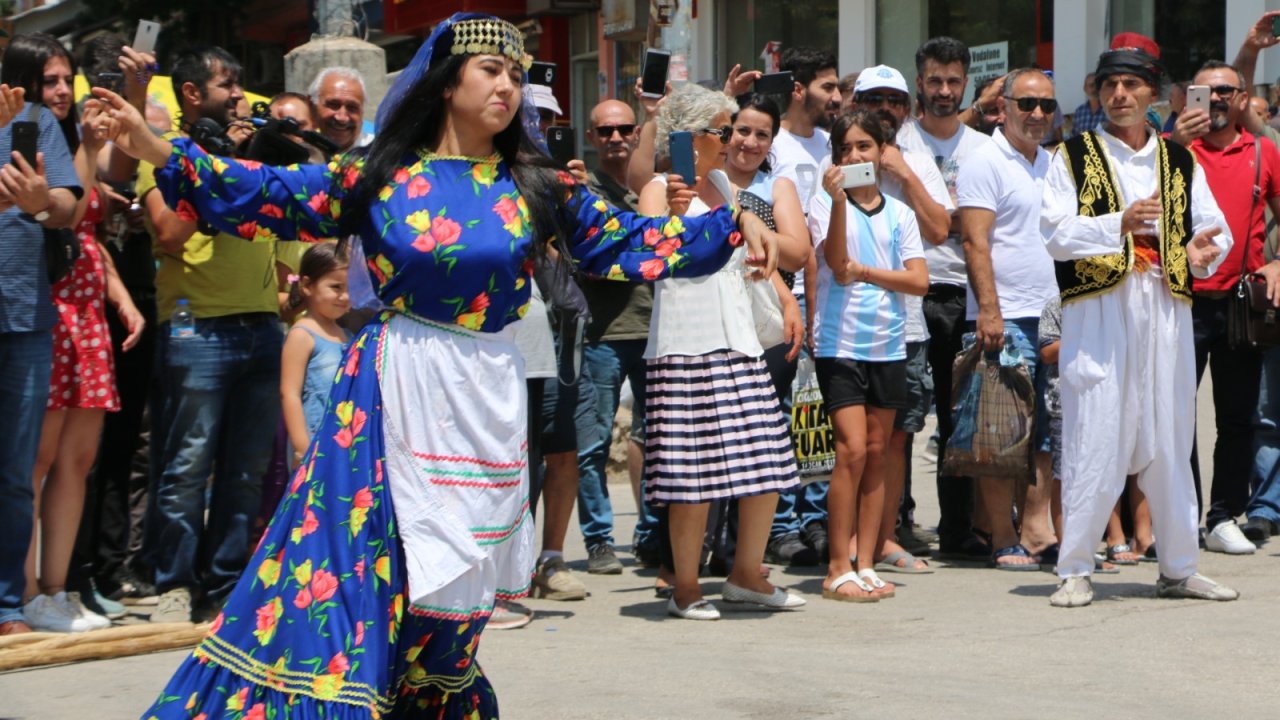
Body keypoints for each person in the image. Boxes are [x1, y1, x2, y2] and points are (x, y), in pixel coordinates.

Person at [94, 12, 773, 715]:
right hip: (393, 392)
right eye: (491, 70)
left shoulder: (536, 185)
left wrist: (735, 218)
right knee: (364, 578)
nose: (507, 84)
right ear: (447, 83)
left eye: (515, 73)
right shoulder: (381, 172)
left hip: (488, 395)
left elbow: (631, 240)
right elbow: (272, 195)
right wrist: (155, 145)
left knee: (456, 601)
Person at [1040, 32, 1238, 608]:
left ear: (1155, 93)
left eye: (1131, 84)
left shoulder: (1177, 160)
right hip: (1101, 311)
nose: (1120, 94)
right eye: (1110, 85)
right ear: (1098, 92)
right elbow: (1054, 233)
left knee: (1172, 437)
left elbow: (1214, 228)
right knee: (1095, 434)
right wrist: (1117, 224)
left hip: (1165, 308)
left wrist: (1203, 253)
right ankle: (1074, 567)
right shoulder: (1071, 156)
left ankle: (1178, 567)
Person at [637, 83, 804, 621]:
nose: (730, 136)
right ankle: (686, 586)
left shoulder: (723, 187)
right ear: (688, 135)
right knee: (691, 476)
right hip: (684, 342)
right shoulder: (660, 189)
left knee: (767, 463)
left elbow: (749, 257)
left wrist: (783, 296)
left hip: (739, 338)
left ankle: (747, 575)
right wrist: (673, 216)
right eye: (721, 129)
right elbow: (651, 254)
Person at [135, 45, 283, 625]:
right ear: (193, 94)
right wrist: (216, 175)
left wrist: (245, 164)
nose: (240, 96)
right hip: (197, 327)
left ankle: (223, 586)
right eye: (228, 85)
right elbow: (169, 233)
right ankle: (173, 583)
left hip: (262, 323)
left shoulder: (252, 156)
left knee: (245, 471)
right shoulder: (165, 153)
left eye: (241, 84)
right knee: (187, 466)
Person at [12, 33, 145, 633]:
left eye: (67, 79)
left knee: (79, 459)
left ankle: (59, 589)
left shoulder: (77, 137)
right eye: (48, 81)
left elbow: (88, 219)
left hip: (85, 310)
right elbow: (69, 209)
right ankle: (25, 589)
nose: (63, 92)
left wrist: (118, 296)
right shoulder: (27, 138)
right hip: (43, 306)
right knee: (31, 459)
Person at [809, 109, 928, 601]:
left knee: (879, 454)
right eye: (845, 149)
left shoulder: (901, 213)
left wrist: (867, 271)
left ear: (883, 152)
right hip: (840, 343)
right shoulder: (823, 202)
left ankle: (866, 561)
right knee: (852, 451)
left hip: (888, 345)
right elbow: (837, 265)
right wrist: (838, 204)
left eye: (864, 147)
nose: (855, 156)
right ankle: (838, 566)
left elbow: (919, 281)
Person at [1168, 59, 1280, 556]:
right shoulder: (1168, 149)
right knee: (1175, 415)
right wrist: (1171, 145)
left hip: (1238, 303)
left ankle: (1222, 515)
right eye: (1205, 92)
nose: (1214, 101)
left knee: (1236, 418)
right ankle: (1181, 515)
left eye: (1224, 93)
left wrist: (1279, 265)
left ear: (1240, 99)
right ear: (1189, 96)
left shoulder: (1262, 150)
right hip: (1178, 300)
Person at [847, 64, 952, 572]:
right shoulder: (839, 153)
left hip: (902, 324)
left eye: (895, 100)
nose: (886, 109)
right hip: (840, 326)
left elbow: (938, 229)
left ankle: (884, 538)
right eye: (874, 99)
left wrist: (904, 174)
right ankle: (844, 542)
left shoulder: (915, 159)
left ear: (907, 109)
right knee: (847, 443)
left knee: (894, 439)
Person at [956, 68, 1060, 571]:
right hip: (1004, 315)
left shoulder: (1051, 163)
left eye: (1046, 106)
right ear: (1003, 108)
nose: (1037, 114)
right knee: (999, 432)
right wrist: (990, 310)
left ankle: (1037, 528)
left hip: (1051, 314)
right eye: (1027, 104)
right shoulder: (983, 161)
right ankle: (1001, 532)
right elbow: (975, 240)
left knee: (1043, 431)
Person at [896, 36, 995, 562]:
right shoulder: (897, 143)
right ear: (920, 82)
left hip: (964, 294)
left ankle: (957, 529)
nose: (943, 90)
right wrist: (952, 217)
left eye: (953, 80)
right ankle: (898, 522)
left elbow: (983, 224)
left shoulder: (984, 148)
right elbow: (940, 223)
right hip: (909, 292)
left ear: (966, 83)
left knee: (959, 417)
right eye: (934, 80)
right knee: (903, 418)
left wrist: (946, 218)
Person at [0, 40, 84, 637]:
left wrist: (42, 201)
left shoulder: (34, 121)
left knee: (12, 470)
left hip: (25, 316)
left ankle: (7, 605)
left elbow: (68, 207)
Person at [720, 92, 811, 566]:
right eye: (742, 130)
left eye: (762, 134)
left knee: (760, 434)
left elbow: (798, 253)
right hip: (710, 321)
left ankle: (755, 544)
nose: (750, 142)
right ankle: (706, 545)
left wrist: (742, 224)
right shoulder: (701, 180)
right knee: (712, 434)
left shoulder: (778, 187)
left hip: (767, 323)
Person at [573, 98, 656, 570]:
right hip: (603, 334)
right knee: (594, 442)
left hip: (655, 330)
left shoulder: (655, 185)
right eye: (605, 131)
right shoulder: (583, 189)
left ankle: (650, 534)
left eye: (625, 128)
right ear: (592, 136)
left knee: (658, 438)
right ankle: (599, 540)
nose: (617, 138)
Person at [769, 46, 842, 562]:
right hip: (782, 295)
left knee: (815, 416)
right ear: (798, 90)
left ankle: (816, 518)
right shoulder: (769, 143)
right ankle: (780, 525)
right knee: (778, 418)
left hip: (829, 296)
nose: (837, 97)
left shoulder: (829, 144)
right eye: (828, 87)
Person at [280, 242, 352, 466]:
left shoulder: (348, 335)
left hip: (344, 445)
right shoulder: (302, 334)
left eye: (350, 288)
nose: (345, 296)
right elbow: (289, 393)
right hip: (315, 447)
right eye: (336, 287)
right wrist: (303, 449)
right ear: (307, 285)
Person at [308, 66, 369, 152]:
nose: (342, 118)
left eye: (352, 107)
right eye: (333, 105)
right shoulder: (295, 154)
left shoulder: (379, 156)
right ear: (312, 107)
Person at [1070, 73, 1105, 138]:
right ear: (1085, 88)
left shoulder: (1107, 111)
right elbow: (1074, 137)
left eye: (1097, 85)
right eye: (1091, 85)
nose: (1094, 89)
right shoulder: (1079, 112)